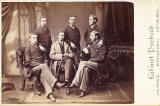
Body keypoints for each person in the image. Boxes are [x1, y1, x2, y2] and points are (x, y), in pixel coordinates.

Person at [25, 33, 65, 102]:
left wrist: (45, 61)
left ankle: (50, 94)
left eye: (36, 38)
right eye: (33, 38)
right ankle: (55, 83)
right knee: (43, 66)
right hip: (32, 69)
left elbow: (45, 57)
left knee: (43, 76)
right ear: (30, 39)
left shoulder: (39, 47)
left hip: (42, 68)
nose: (35, 39)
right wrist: (40, 64)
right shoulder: (28, 48)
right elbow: (28, 62)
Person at [69, 31, 106, 98]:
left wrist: (91, 60)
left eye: (92, 36)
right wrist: (84, 52)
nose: (90, 37)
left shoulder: (101, 44)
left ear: (96, 37)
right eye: (90, 35)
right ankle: (83, 91)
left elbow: (102, 58)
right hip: (91, 64)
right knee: (85, 69)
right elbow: (86, 55)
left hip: (99, 65)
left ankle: (75, 83)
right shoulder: (91, 45)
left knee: (82, 63)